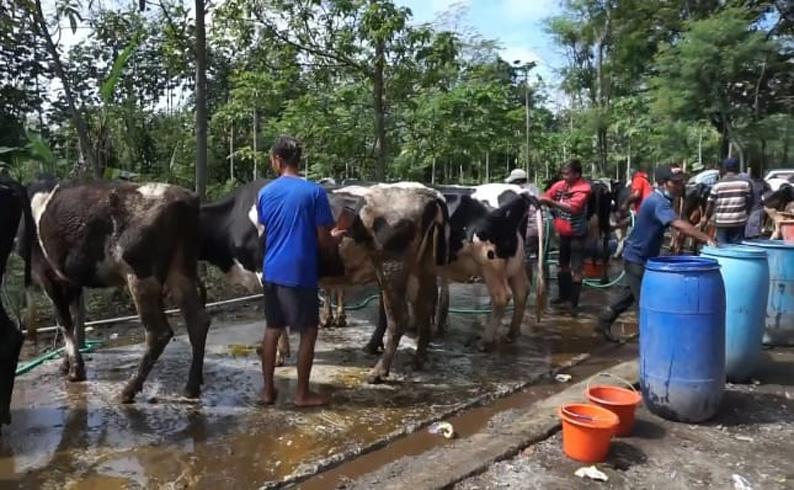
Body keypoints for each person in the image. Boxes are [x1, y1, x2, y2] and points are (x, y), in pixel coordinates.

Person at [257, 136, 349, 407]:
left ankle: (267, 391)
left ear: (277, 160)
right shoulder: (314, 192)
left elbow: (269, 228)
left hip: (272, 270)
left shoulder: (265, 193)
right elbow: (323, 240)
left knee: (272, 329)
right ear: (298, 161)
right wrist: (338, 235)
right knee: (308, 331)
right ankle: (302, 394)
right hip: (300, 271)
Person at [596, 165, 717, 341]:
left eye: (681, 182)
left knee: (628, 294)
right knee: (645, 301)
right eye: (675, 182)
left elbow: (671, 223)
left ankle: (603, 322)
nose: (680, 185)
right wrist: (706, 238)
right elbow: (676, 223)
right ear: (662, 183)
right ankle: (651, 341)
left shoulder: (662, 200)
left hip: (642, 256)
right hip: (637, 258)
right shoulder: (657, 202)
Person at [539, 159, 591, 313]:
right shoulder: (561, 185)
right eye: (563, 174)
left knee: (576, 270)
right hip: (563, 233)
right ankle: (563, 296)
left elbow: (573, 208)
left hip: (577, 234)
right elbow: (547, 195)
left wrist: (551, 203)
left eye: (567, 174)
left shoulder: (584, 189)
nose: (564, 176)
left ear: (577, 174)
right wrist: (545, 201)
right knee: (562, 266)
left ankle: (573, 303)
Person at [701, 158, 753, 244]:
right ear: (737, 168)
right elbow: (750, 202)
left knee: (723, 248)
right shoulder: (745, 184)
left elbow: (710, 203)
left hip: (722, 222)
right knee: (737, 247)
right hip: (739, 222)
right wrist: (745, 213)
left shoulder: (717, 185)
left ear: (724, 169)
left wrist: (706, 216)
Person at [744, 166, 768, 239]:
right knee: (753, 233)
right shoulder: (761, 183)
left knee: (751, 234)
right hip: (756, 209)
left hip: (753, 209)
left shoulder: (748, 182)